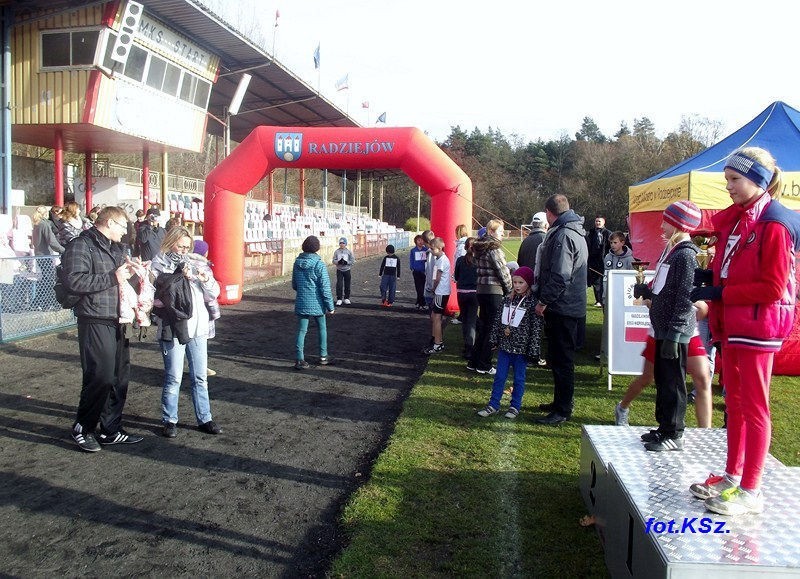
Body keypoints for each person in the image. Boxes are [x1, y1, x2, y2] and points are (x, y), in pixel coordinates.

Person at [688, 147, 800, 516]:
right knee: (734, 403)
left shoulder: (776, 222)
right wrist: (707, 279)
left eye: (735, 180)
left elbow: (773, 287)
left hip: (758, 324)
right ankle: (733, 476)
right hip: (734, 323)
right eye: (727, 181)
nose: (729, 188)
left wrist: (720, 292)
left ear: (759, 180)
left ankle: (752, 488)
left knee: (754, 407)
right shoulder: (740, 221)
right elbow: (735, 269)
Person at [62, 206, 144, 452]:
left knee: (119, 377)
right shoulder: (81, 245)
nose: (125, 232)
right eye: (122, 227)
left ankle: (111, 429)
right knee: (100, 376)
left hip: (118, 317)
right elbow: (73, 280)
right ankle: (83, 428)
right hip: (94, 317)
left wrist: (134, 273)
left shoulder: (115, 248)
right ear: (109, 223)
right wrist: (114, 277)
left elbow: (120, 279)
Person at [633, 200, 701, 451]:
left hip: (675, 331)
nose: (662, 226)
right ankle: (664, 427)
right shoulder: (671, 252)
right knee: (663, 380)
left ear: (678, 224)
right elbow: (664, 286)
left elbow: (685, 297)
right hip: (661, 327)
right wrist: (647, 291)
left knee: (674, 381)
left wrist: (674, 333)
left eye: (666, 221)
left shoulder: (686, 254)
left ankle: (675, 431)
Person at [151, 226, 222, 438]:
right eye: (180, 246)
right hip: (173, 328)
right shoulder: (158, 264)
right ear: (170, 242)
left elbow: (214, 293)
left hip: (199, 328)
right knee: (173, 377)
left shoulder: (197, 263)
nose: (183, 250)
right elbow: (155, 298)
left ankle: (205, 418)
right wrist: (176, 277)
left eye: (187, 247)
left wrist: (204, 279)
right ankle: (169, 419)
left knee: (200, 377)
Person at [534, 194, 588, 425]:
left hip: (563, 307)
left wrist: (543, 301)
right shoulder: (573, 231)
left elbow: (560, 275)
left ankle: (563, 409)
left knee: (563, 360)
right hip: (568, 305)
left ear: (549, 212)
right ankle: (560, 402)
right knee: (558, 359)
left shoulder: (564, 235)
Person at [614, 307, 713, 428]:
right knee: (647, 378)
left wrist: (692, 301)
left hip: (690, 333)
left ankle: (705, 430)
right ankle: (623, 407)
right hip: (661, 334)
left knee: (703, 380)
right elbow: (652, 303)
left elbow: (703, 310)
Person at [476, 266, 541, 419]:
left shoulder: (533, 303)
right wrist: (494, 339)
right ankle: (493, 404)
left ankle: (515, 406)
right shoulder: (506, 300)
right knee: (499, 377)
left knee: (519, 378)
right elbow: (497, 321)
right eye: (515, 282)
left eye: (521, 282)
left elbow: (536, 329)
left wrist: (533, 350)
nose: (517, 286)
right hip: (505, 347)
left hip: (521, 350)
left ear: (529, 283)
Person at [467, 219, 512, 375]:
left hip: (481, 291)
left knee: (485, 328)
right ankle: (484, 364)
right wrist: (509, 289)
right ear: (491, 232)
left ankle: (473, 361)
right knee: (492, 329)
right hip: (494, 291)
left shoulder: (479, 248)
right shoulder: (494, 249)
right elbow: (503, 271)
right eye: (500, 232)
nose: (502, 235)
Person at [293, 235, 335, 369]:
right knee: (322, 328)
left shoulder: (296, 263)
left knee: (301, 331)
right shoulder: (319, 264)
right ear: (317, 248)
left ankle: (299, 359)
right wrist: (330, 306)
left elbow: (294, 285)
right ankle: (323, 356)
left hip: (301, 301)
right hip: (317, 303)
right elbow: (325, 287)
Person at [31, 205, 65, 309]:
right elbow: (52, 241)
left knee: (44, 279)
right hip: (45, 254)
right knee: (49, 280)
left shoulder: (36, 224)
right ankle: (47, 303)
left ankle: (37, 303)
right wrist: (64, 250)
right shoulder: (44, 224)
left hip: (39, 254)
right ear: (46, 213)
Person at [422, 237, 451, 354]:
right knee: (434, 316)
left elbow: (437, 277)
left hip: (441, 292)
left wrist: (433, 288)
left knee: (437, 318)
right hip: (440, 292)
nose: (431, 251)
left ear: (439, 248)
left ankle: (438, 343)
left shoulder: (442, 260)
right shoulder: (438, 259)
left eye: (433, 249)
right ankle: (435, 340)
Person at [453, 237, 478, 359]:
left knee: (465, 319)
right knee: (472, 320)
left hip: (461, 293)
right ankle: (470, 347)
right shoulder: (478, 261)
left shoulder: (460, 260)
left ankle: (467, 346)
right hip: (474, 293)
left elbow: (456, 276)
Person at [586, 216, 611, 307]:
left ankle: (603, 299)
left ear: (604, 222)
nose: (597, 223)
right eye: (596, 221)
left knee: (602, 280)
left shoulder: (608, 233)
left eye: (599, 221)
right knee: (595, 282)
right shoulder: (590, 233)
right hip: (592, 260)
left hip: (603, 260)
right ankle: (598, 300)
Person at [332, 236, 355, 306]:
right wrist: (338, 262)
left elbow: (352, 260)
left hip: (347, 270)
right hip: (339, 270)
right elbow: (333, 260)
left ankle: (346, 298)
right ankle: (339, 299)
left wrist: (346, 262)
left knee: (347, 284)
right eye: (340, 243)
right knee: (339, 284)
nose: (342, 244)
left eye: (343, 243)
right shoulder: (336, 251)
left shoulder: (349, 252)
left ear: (346, 244)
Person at [409, 234, 429, 310]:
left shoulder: (425, 250)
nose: (420, 242)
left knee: (423, 287)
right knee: (418, 287)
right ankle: (421, 303)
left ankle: (420, 302)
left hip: (424, 271)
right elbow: (411, 259)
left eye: (422, 240)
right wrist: (412, 267)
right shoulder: (413, 250)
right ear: (416, 241)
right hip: (416, 271)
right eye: (419, 240)